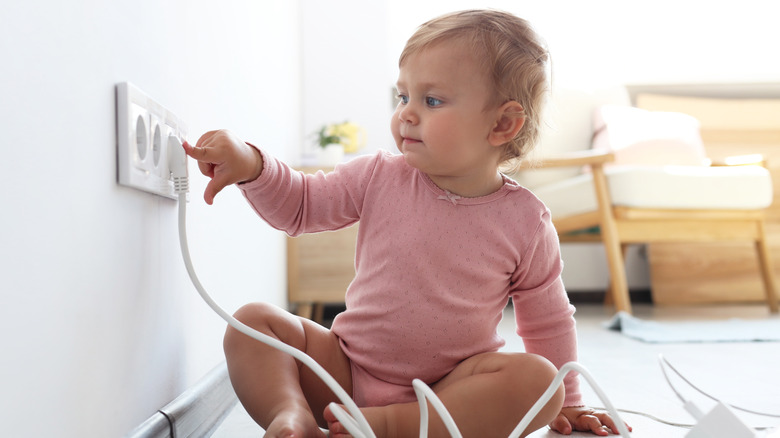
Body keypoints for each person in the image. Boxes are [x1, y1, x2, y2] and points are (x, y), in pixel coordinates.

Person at [184, 9, 630, 438]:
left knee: (538, 380)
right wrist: (252, 166)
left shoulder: (526, 222)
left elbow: (547, 320)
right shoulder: (378, 175)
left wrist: (567, 401)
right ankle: (293, 415)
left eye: (431, 100)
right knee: (251, 324)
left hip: (446, 396)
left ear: (502, 124)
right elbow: (301, 206)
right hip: (344, 373)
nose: (407, 114)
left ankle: (393, 428)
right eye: (403, 96)